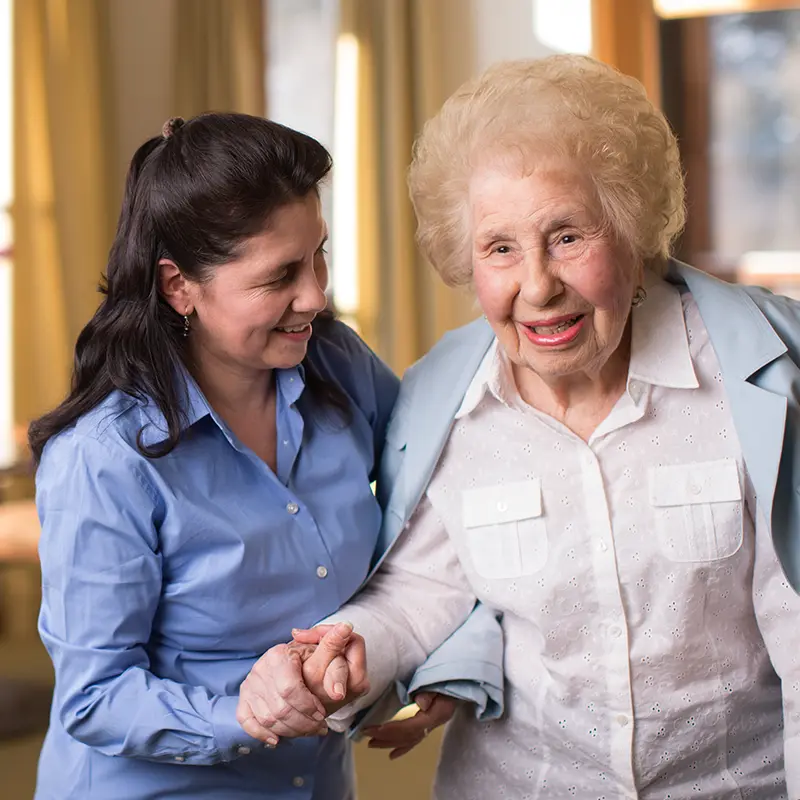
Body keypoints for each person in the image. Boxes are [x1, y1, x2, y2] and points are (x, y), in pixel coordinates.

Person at [253, 55, 800, 799]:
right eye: (500, 248)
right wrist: (352, 648)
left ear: (634, 229)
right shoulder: (447, 405)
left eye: (569, 236)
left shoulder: (749, 387)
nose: (538, 286)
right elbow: (419, 587)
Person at [29, 113, 503, 800]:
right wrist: (244, 716)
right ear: (177, 286)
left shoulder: (336, 365)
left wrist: (451, 657)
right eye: (279, 275)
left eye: (319, 256)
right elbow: (94, 697)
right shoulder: (105, 461)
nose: (315, 295)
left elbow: (442, 508)